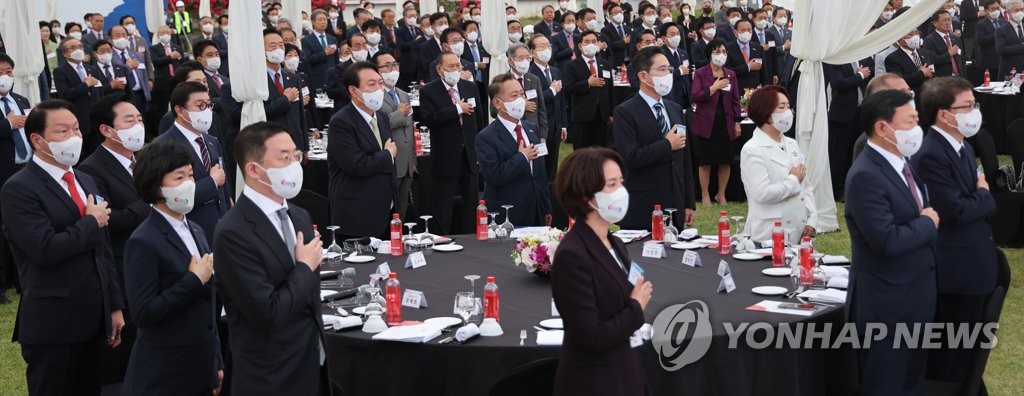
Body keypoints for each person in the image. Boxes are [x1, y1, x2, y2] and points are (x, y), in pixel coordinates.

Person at [1, 99, 124, 395]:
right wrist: (90, 223)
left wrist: (115, 305)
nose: (74, 137)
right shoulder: (20, 188)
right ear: (37, 140)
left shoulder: (85, 180)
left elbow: (102, 250)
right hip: (54, 322)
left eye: (76, 129)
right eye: (62, 131)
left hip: (95, 316)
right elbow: (44, 248)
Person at [214, 121, 327, 396]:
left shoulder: (298, 215)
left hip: (312, 362)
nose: (294, 165)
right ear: (254, 169)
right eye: (284, 158)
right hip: (270, 376)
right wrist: (303, 267)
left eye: (295, 156)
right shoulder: (233, 232)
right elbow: (267, 313)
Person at [846, 89, 939, 396]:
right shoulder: (866, 175)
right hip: (886, 305)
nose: (917, 128)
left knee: (911, 382)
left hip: (914, 295)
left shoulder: (903, 162)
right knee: (885, 384)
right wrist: (927, 223)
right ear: (883, 128)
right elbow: (886, 240)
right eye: (909, 121)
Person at [914, 77, 998, 385]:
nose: (974, 112)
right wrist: (984, 195)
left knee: (969, 356)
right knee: (950, 358)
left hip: (974, 263)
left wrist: (977, 196)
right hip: (955, 270)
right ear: (943, 114)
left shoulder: (961, 145)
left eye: (975, 105)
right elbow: (955, 211)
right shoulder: (931, 153)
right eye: (967, 106)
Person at [121, 141, 222, 395]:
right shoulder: (143, 240)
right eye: (179, 177)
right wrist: (193, 280)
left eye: (190, 175)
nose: (189, 183)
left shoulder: (195, 229)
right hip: (164, 374)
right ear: (157, 185)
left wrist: (216, 362)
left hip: (199, 366)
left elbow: (208, 306)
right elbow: (143, 311)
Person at [550, 147, 653, 396]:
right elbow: (591, 336)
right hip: (594, 382)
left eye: (621, 183)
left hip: (626, 371)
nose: (621, 192)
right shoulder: (572, 255)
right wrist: (636, 308)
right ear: (587, 196)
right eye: (611, 184)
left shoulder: (615, 244)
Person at [328, 61, 398, 238]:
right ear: (354, 91)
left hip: (384, 208)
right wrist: (387, 154)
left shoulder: (382, 117)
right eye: (371, 84)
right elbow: (356, 165)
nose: (378, 89)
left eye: (380, 83)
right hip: (356, 211)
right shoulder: (341, 122)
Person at [154, 82, 229, 244]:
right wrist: (211, 182)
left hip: (222, 229)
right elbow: (170, 198)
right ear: (180, 110)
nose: (207, 111)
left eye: (209, 105)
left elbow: (224, 185)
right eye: (200, 105)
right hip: (191, 231)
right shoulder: (164, 146)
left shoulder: (211, 141)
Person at [739, 85, 816, 243]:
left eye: (788, 106)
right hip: (769, 233)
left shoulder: (792, 144)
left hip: (799, 231)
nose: (788, 112)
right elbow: (763, 194)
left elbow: (806, 186)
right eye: (782, 107)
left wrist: (812, 220)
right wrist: (793, 180)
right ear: (766, 113)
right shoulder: (752, 149)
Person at [476, 73, 552, 227]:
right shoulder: (486, 137)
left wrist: (547, 207)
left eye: (522, 94)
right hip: (508, 214)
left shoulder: (532, 129)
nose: (520, 100)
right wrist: (522, 158)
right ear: (497, 103)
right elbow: (494, 176)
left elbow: (540, 173)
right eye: (514, 95)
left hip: (536, 211)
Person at [420, 52, 481, 234]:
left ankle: (471, 236)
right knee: (443, 203)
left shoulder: (470, 87)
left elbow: (479, 121)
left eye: (458, 66)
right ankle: (441, 236)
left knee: (471, 201)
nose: (456, 70)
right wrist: (456, 109)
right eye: (451, 67)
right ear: (440, 69)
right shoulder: (429, 90)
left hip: (469, 154)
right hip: (446, 155)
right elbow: (429, 119)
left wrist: (478, 150)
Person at [691, 39, 741, 205]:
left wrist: (737, 122)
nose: (721, 55)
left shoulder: (731, 74)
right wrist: (714, 87)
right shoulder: (700, 73)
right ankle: (705, 195)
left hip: (726, 122)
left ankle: (721, 194)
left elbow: (735, 101)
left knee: (725, 160)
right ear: (710, 54)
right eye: (717, 52)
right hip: (706, 123)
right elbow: (695, 96)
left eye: (724, 52)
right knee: (705, 160)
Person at [0, 54, 31, 304]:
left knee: (22, 225)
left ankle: (20, 278)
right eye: (0, 72)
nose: (5, 77)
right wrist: (6, 125)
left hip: (25, 170)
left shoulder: (20, 100)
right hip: (2, 173)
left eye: (9, 72)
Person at [374, 52, 416, 220]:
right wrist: (399, 114)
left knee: (402, 209)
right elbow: (379, 125)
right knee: (386, 209)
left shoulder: (403, 93)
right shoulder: (375, 96)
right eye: (387, 66)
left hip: (406, 162)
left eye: (395, 65)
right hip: (390, 159)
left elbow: (410, 129)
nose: (393, 69)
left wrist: (413, 159)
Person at [825, 58, 873, 200]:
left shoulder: (864, 58)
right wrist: (859, 76)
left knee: (857, 152)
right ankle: (837, 190)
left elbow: (871, 79)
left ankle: (854, 187)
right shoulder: (838, 59)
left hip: (861, 112)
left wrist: (862, 76)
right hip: (842, 114)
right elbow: (838, 83)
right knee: (839, 155)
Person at [564, 30, 614, 149]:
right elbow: (568, 88)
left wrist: (611, 113)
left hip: (602, 115)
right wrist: (587, 83)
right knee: (582, 151)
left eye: (594, 41)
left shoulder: (605, 64)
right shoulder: (571, 65)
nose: (591, 44)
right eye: (587, 42)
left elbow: (610, 90)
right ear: (580, 46)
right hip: (582, 116)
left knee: (600, 151)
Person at [528, 34, 568, 180]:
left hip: (556, 126)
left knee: (553, 168)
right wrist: (551, 91)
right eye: (542, 46)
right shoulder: (530, 73)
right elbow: (533, 101)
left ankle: (552, 196)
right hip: (540, 128)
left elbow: (561, 100)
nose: (547, 49)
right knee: (540, 168)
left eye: (548, 46)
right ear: (532, 52)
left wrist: (563, 125)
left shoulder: (555, 71)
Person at [262, 29, 308, 155]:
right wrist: (285, 99)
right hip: (270, 142)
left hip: (294, 143)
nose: (279, 49)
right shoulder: (258, 80)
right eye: (273, 46)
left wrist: (304, 147)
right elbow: (260, 112)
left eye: (281, 45)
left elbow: (300, 115)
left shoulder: (293, 78)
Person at [149, 26, 185, 141]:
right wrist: (170, 57)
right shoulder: (154, 48)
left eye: (168, 32)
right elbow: (155, 62)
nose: (165, 35)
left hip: (176, 81)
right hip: (162, 82)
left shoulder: (177, 47)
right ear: (158, 35)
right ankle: (161, 132)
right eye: (163, 32)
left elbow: (183, 62)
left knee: (179, 105)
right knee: (161, 108)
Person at [506, 43, 548, 139]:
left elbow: (541, 110)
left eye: (527, 58)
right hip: (512, 133)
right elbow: (494, 111)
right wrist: (520, 106)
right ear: (511, 61)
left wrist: (543, 136)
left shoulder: (534, 79)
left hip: (533, 132)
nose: (525, 61)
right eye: (521, 58)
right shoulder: (502, 81)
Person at [110, 25, 152, 115]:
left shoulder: (136, 55)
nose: (121, 38)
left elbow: (144, 76)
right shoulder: (109, 57)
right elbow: (114, 76)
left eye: (124, 35)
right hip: (124, 98)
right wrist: (128, 67)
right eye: (117, 35)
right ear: (110, 39)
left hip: (141, 96)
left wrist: (148, 96)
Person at [885, 29, 934, 102]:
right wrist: (921, 73)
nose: (915, 37)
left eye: (916, 33)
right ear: (900, 39)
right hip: (912, 100)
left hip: (930, 97)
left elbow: (932, 73)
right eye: (911, 34)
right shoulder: (892, 59)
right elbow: (899, 82)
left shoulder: (925, 53)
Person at [725, 19, 768, 92]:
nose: (746, 32)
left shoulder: (758, 48)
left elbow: (764, 72)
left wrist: (766, 88)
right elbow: (727, 70)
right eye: (742, 30)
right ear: (735, 32)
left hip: (754, 90)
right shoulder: (728, 48)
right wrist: (747, 67)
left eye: (749, 30)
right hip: (736, 89)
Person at [303, 10, 340, 93]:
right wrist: (324, 53)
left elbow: (336, 60)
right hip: (317, 79)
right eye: (320, 20)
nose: (323, 22)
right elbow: (308, 59)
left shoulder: (332, 39)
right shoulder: (307, 40)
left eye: (325, 19)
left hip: (332, 79)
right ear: (313, 22)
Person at [659, 22, 692, 108]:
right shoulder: (661, 54)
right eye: (672, 34)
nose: (676, 37)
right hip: (671, 95)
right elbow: (662, 77)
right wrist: (679, 71)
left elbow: (687, 73)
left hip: (686, 94)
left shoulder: (683, 53)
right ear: (664, 38)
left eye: (678, 34)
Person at [924, 9, 966, 78]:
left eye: (949, 19)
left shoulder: (955, 38)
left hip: (959, 78)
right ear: (935, 23)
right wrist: (949, 54)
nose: (947, 22)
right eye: (944, 20)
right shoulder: (929, 40)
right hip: (943, 80)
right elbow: (932, 61)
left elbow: (962, 60)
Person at [975, 0, 1004, 78]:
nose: (996, 11)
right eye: (993, 9)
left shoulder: (1002, 22)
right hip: (989, 62)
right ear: (986, 11)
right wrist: (997, 33)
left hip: (1002, 61)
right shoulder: (981, 25)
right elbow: (981, 41)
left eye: (997, 8)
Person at [996, 0, 1024, 79]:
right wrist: (1021, 47)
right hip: (1010, 71)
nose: (1020, 12)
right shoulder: (1001, 30)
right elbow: (1000, 49)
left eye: (1022, 9)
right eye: (1016, 10)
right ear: (1008, 12)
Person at [396, 8, 422, 89]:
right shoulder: (400, 31)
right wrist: (415, 41)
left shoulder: (419, 29)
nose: (413, 18)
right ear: (405, 18)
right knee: (408, 89)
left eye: (414, 16)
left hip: (419, 66)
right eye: (410, 16)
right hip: (407, 66)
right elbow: (402, 46)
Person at [602, 3, 631, 67]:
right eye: (615, 12)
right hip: (616, 63)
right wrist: (624, 42)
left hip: (629, 62)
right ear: (610, 15)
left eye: (620, 12)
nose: (619, 14)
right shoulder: (606, 30)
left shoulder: (627, 28)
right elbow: (609, 45)